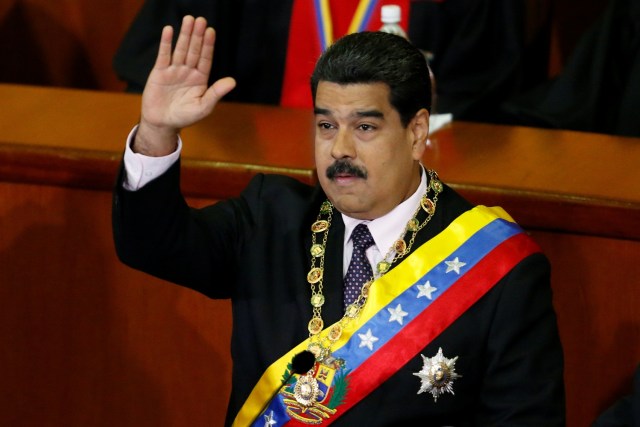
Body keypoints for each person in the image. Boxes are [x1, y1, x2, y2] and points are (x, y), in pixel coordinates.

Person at [112, 15, 565, 426]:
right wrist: (156, 131)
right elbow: (151, 244)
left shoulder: (497, 269)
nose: (339, 149)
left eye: (364, 127)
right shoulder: (269, 218)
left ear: (416, 132)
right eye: (326, 125)